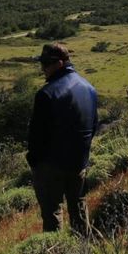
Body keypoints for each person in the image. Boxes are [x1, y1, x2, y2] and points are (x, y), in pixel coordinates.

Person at [27, 42, 98, 234]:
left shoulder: (47, 94)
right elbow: (93, 126)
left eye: (45, 64)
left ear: (59, 63)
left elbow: (36, 136)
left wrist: (33, 161)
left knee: (52, 215)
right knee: (79, 209)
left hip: (51, 165)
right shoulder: (89, 88)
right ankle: (84, 250)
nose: (43, 69)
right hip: (79, 162)